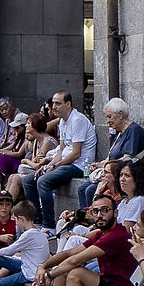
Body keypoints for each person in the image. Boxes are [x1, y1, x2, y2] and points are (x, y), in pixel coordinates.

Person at [22, 194, 137, 286]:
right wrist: (42, 266)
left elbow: (77, 260)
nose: (100, 215)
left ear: (115, 213)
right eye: (95, 211)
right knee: (64, 270)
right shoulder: (100, 234)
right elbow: (69, 253)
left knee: (76, 272)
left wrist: (49, 274)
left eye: (105, 210)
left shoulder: (117, 235)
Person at [25, 90, 95, 218]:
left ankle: (49, 224)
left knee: (43, 182)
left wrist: (56, 165)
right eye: (53, 103)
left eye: (58, 103)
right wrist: (48, 165)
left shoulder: (77, 120)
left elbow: (76, 153)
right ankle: (36, 219)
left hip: (79, 166)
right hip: (65, 163)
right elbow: (61, 149)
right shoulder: (62, 121)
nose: (54, 107)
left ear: (68, 104)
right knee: (29, 180)